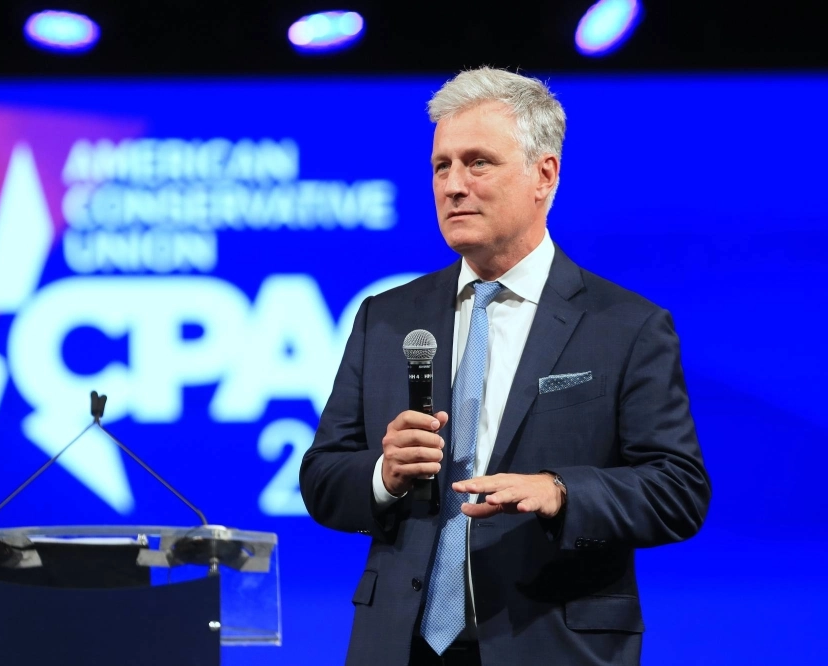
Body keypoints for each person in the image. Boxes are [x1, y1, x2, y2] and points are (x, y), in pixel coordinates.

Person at [299, 67, 711, 666]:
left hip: (550, 641)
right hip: (398, 645)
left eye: (478, 163)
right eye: (442, 166)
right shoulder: (384, 318)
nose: (453, 186)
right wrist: (384, 475)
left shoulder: (626, 326)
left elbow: (678, 490)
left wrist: (561, 491)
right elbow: (322, 478)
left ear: (544, 175)